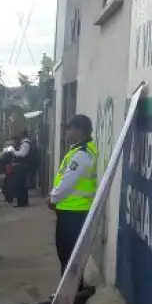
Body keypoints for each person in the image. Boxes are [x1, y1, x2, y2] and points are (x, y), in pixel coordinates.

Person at [48, 114, 98, 288]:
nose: (66, 133)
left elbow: (68, 182)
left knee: (68, 257)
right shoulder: (79, 151)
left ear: (78, 131)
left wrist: (53, 198)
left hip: (73, 212)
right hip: (72, 210)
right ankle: (71, 291)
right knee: (69, 256)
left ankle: (70, 294)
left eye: (69, 129)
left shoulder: (81, 155)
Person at [6, 129, 36, 207]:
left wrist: (13, 151)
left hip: (22, 167)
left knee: (20, 185)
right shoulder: (25, 143)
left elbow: (22, 154)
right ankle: (23, 202)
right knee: (22, 185)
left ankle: (22, 202)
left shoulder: (25, 144)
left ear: (22, 135)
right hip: (23, 166)